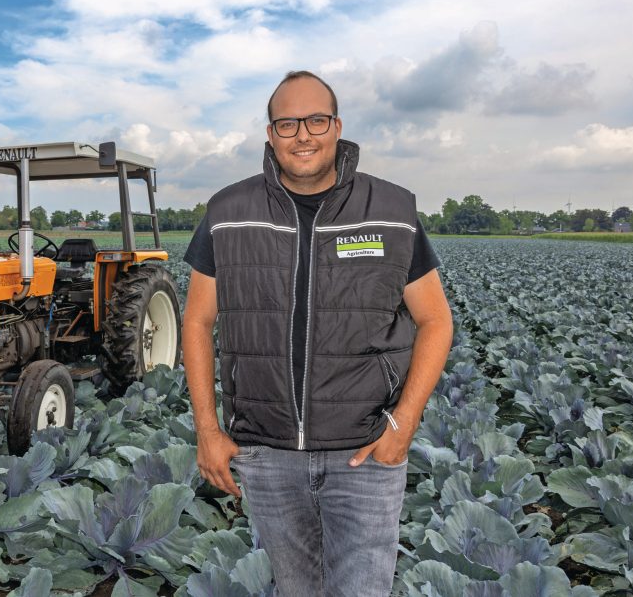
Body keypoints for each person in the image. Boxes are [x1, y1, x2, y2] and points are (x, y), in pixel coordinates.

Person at [181, 70, 453, 596]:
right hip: (267, 453)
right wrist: (209, 432)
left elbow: (436, 320)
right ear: (270, 134)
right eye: (287, 123)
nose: (302, 134)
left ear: (337, 126)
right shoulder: (227, 213)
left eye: (315, 120)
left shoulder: (392, 212)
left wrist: (403, 425)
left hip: (365, 451)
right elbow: (196, 320)